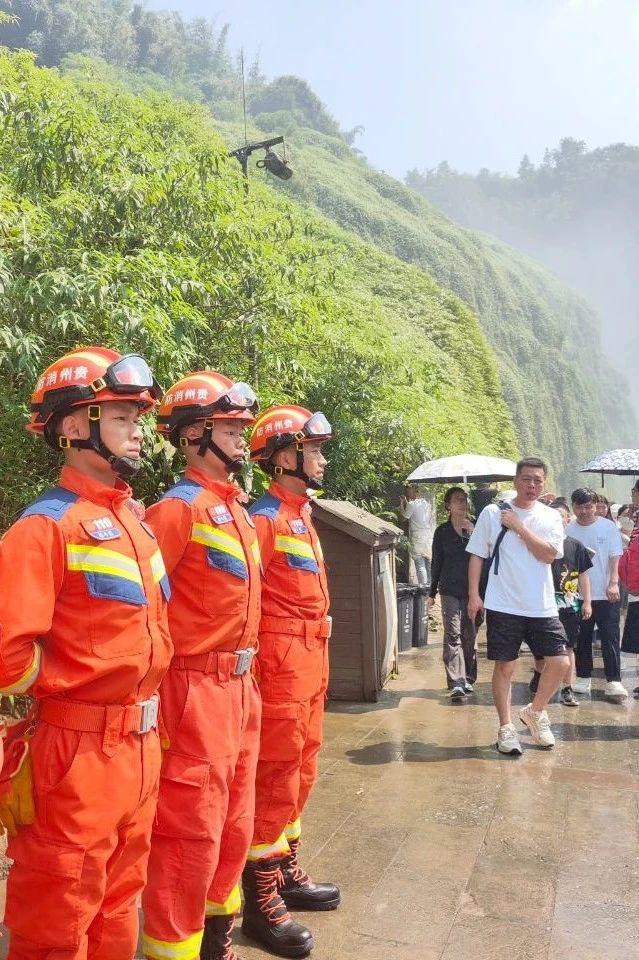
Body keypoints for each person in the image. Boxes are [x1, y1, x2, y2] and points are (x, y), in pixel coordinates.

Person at [0, 348, 173, 957]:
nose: (139, 431)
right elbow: (7, 654)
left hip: (140, 749)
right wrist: (71, 687)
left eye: (139, 417)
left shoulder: (137, 520)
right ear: (76, 427)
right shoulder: (44, 528)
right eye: (123, 417)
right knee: (58, 919)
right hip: (76, 756)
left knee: (120, 905)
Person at [141, 373, 263, 960]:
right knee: (190, 833)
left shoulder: (235, 510)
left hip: (242, 688)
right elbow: (144, 609)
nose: (244, 439)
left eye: (244, 428)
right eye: (231, 429)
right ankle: (172, 948)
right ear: (195, 435)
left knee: (235, 822)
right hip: (193, 691)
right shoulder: (176, 510)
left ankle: (217, 940)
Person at [241, 405, 339, 959]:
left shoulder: (300, 514)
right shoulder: (265, 519)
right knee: (274, 775)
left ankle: (286, 871)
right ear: (285, 457)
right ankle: (260, 899)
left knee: (302, 768)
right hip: (280, 662)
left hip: (309, 658)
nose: (323, 459)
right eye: (315, 450)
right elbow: (244, 604)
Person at [467, 457, 569, 755]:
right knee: (506, 666)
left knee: (560, 662)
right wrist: (475, 595)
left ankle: (535, 712)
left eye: (538, 480)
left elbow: (549, 555)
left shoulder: (550, 517)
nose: (532, 485)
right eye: (527, 479)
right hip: (503, 602)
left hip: (541, 604)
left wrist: (519, 527)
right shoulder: (492, 512)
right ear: (515, 481)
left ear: (544, 483)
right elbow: (477, 555)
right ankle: (506, 728)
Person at [529, 500, 593, 706]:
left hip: (568, 603)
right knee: (539, 646)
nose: (558, 520)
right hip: (541, 602)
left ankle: (567, 687)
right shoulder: (538, 542)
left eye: (561, 517)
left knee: (568, 647)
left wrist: (587, 602)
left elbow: (583, 576)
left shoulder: (576, 546)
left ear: (567, 519)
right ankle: (539, 675)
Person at [566, 487, 627, 700]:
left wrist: (613, 583)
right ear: (573, 506)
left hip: (605, 592)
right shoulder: (568, 529)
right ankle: (583, 677)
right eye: (580, 506)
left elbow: (614, 556)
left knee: (610, 636)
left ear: (596, 506)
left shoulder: (608, 527)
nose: (585, 511)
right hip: (578, 594)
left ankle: (614, 680)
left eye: (589, 506)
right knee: (581, 637)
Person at [428, 487, 477, 700]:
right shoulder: (442, 532)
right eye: (458, 500)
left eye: (465, 500)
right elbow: (437, 562)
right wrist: (432, 592)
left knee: (470, 634)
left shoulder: (475, 527)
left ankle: (468, 677)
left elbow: (485, 555)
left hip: (472, 590)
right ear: (448, 505)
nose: (463, 503)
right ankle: (456, 681)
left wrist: (473, 533)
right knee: (452, 634)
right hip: (448, 589)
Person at [399, 485, 435, 587]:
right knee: (428, 564)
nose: (406, 492)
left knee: (420, 565)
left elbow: (403, 518)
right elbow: (414, 512)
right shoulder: (426, 504)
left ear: (415, 491)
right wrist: (407, 502)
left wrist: (402, 503)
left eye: (408, 490)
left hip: (417, 537)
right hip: (428, 536)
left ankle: (423, 591)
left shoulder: (412, 504)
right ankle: (430, 589)